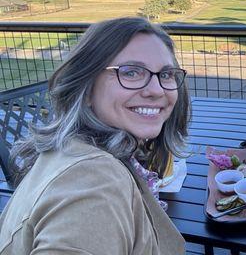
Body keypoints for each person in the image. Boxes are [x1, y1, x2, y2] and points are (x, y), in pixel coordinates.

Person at [0, 17, 190, 254]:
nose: (156, 90)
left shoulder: (71, 151)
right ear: (86, 88)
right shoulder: (96, 182)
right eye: (131, 72)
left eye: (166, 74)